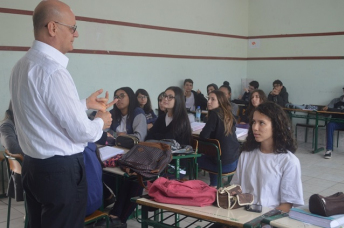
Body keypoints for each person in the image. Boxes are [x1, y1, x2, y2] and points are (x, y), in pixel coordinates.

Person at [9, 1, 115, 227]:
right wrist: (99, 120)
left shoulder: (21, 66)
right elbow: (80, 132)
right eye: (73, 28)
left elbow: (42, 112)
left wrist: (83, 103)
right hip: (60, 172)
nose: (76, 34)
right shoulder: (54, 71)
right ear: (53, 28)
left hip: (34, 167)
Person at [231, 102, 303, 213]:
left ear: (276, 126)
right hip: (242, 214)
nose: (255, 127)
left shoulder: (289, 161)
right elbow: (236, 188)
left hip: (268, 219)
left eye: (262, 123)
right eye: (254, 122)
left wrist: (259, 221)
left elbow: (286, 205)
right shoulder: (246, 154)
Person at [197, 90, 240, 187]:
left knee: (194, 159)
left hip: (222, 166)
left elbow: (203, 136)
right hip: (234, 163)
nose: (208, 102)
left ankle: (213, 185)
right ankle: (215, 185)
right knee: (214, 154)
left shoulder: (215, 114)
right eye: (208, 98)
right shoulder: (229, 114)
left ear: (220, 101)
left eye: (213, 99)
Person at [322, 88, 344, 159]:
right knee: (330, 125)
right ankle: (329, 150)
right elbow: (328, 108)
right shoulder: (335, 101)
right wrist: (326, 108)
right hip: (336, 122)